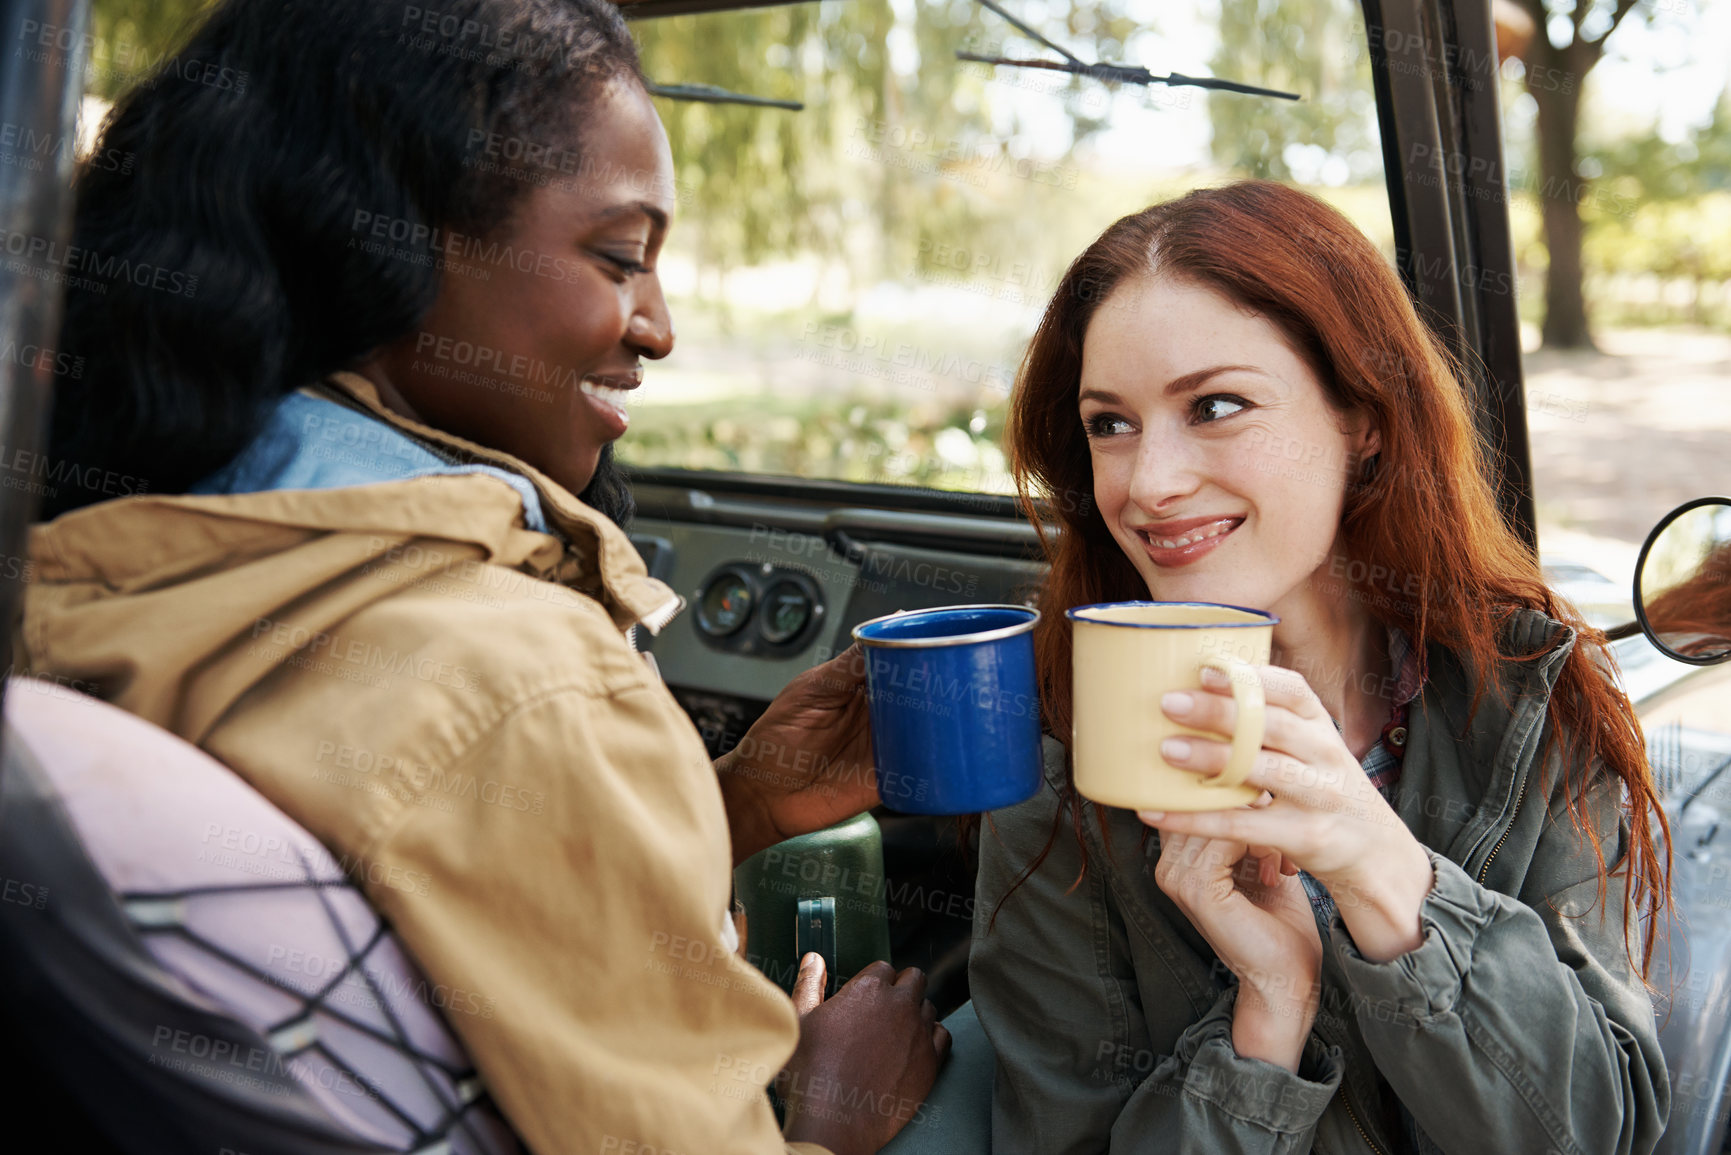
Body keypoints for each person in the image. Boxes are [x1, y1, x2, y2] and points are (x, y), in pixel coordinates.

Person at [20, 2, 947, 1153]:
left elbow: (393, 843)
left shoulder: (95, 555)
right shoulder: (525, 678)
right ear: (377, 241)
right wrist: (837, 1112)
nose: (656, 328)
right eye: (620, 257)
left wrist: (740, 801)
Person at [971, 182, 1671, 1154]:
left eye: (1215, 406)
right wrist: (1267, 1016)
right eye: (1109, 423)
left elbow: (1601, 1130)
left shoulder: (1529, 697)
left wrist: (1382, 872)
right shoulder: (1055, 772)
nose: (1148, 483)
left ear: (1364, 418)